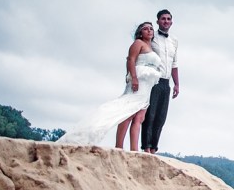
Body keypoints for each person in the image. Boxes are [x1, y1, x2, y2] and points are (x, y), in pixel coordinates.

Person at [57, 22, 163, 150]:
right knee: (127, 112)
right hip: (139, 80)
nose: (149, 30)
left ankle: (134, 149)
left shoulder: (152, 47)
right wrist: (132, 77)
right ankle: (119, 145)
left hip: (148, 85)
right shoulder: (138, 43)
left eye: (151, 28)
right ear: (140, 32)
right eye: (146, 29)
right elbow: (130, 60)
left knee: (140, 117)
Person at [140, 9, 179, 154]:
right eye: (163, 19)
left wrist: (177, 84)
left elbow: (174, 64)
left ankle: (154, 148)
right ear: (158, 21)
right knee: (150, 115)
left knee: (161, 117)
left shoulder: (174, 40)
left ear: (172, 22)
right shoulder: (152, 36)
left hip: (166, 82)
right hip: (153, 80)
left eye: (168, 19)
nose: (166, 21)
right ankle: (147, 147)